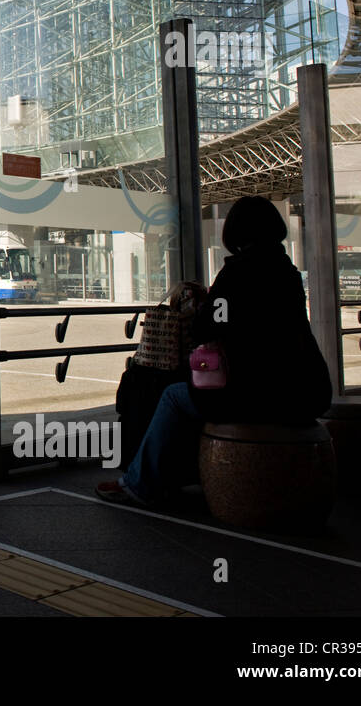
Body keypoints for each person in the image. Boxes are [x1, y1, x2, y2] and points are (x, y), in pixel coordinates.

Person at [98, 196, 332, 507]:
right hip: (306, 392)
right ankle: (191, 473)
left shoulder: (238, 272)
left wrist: (204, 303)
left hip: (259, 396)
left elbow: (206, 330)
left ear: (235, 233)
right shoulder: (287, 271)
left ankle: (141, 483)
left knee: (174, 395)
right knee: (195, 394)